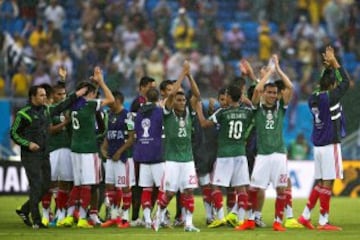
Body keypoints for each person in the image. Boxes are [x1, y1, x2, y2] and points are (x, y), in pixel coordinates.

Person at [11, 83, 87, 229]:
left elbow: (62, 104)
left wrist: (77, 94)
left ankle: (25, 210)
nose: (45, 97)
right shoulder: (24, 114)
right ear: (33, 97)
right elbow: (14, 133)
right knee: (36, 186)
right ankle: (37, 221)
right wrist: (28, 144)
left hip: (44, 154)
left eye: (45, 95)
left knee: (46, 187)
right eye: (41, 95)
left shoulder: (46, 111)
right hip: (30, 155)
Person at [239, 54, 294, 232]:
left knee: (281, 189)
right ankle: (249, 220)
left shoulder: (281, 108)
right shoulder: (258, 108)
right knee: (254, 188)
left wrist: (277, 70)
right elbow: (256, 91)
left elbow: (290, 86)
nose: (271, 95)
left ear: (277, 96)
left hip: (278, 154)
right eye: (268, 92)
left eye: (274, 93)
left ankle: (278, 221)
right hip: (262, 155)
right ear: (265, 94)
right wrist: (268, 73)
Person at [298, 46, 349, 231]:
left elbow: (324, 83)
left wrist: (327, 68)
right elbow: (346, 83)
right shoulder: (330, 97)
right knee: (328, 182)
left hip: (318, 145)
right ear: (332, 84)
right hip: (330, 144)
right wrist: (335, 64)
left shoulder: (313, 97)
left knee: (321, 183)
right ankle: (323, 221)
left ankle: (304, 216)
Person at [58, 66, 114, 228]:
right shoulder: (89, 105)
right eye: (93, 93)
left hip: (75, 149)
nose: (95, 95)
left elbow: (66, 100)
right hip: (89, 150)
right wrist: (101, 82)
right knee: (88, 184)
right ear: (88, 94)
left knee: (78, 184)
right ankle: (83, 218)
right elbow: (110, 99)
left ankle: (69, 216)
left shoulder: (72, 107)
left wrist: (63, 80)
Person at [196, 84, 253, 229]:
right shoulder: (246, 112)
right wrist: (244, 99)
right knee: (241, 188)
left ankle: (220, 217)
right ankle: (240, 221)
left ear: (228, 97)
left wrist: (198, 110)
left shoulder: (222, 112)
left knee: (216, 185)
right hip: (240, 153)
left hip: (225, 154)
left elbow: (204, 124)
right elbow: (253, 107)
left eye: (226, 95)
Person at [152, 60, 200, 232]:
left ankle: (188, 223)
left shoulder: (188, 112)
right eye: (179, 100)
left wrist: (189, 75)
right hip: (172, 159)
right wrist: (182, 74)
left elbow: (197, 95)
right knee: (171, 193)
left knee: (189, 191)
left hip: (188, 159)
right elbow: (171, 96)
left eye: (183, 100)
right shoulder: (167, 112)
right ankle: (158, 216)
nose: (181, 102)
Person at [41, 71, 74, 227]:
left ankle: (61, 213)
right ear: (53, 96)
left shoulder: (68, 109)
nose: (63, 96)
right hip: (53, 149)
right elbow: (50, 130)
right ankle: (45, 213)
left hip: (67, 149)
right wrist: (65, 123)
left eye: (64, 94)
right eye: (60, 94)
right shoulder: (49, 110)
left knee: (65, 183)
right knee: (49, 182)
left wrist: (63, 80)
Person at [100, 91, 135, 228]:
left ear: (118, 101)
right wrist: (103, 148)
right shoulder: (110, 115)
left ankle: (125, 218)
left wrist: (120, 152)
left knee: (125, 187)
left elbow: (132, 137)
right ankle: (114, 216)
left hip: (122, 159)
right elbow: (109, 135)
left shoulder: (128, 116)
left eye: (110, 102)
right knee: (110, 186)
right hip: (110, 157)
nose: (108, 104)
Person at [133, 88, 164, 228]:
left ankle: (147, 220)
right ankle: (159, 218)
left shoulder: (139, 113)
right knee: (162, 189)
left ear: (145, 98)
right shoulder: (159, 112)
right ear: (158, 98)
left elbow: (136, 132)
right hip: (157, 155)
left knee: (146, 189)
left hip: (143, 154)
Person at [130, 76, 156, 226]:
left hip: (149, 148)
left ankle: (145, 215)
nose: (153, 90)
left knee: (149, 184)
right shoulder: (139, 103)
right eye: (151, 87)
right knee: (139, 184)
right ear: (142, 87)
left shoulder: (150, 104)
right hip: (141, 149)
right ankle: (135, 216)